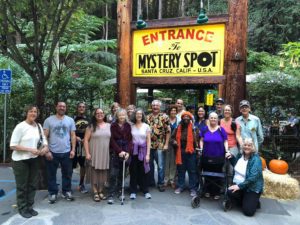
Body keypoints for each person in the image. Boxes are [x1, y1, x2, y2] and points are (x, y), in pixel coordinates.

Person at [10, 105, 48, 218]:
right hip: (20, 161)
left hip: (34, 160)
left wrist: (45, 148)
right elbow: (13, 145)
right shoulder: (20, 127)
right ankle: (22, 208)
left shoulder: (39, 126)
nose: (33, 113)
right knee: (22, 186)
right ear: (26, 113)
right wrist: (30, 149)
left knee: (32, 185)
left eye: (35, 111)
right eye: (31, 111)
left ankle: (29, 207)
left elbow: (44, 140)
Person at [43, 101, 76, 204]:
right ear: (56, 107)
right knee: (51, 174)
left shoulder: (70, 120)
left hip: (66, 151)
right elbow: (44, 136)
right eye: (60, 106)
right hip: (52, 151)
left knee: (67, 174)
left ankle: (66, 191)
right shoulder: (49, 120)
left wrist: (73, 149)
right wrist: (47, 150)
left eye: (64, 106)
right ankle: (53, 193)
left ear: (66, 108)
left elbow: (73, 136)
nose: (62, 107)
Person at [226, 138, 264, 217]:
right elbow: (237, 166)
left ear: (252, 147)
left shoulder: (256, 159)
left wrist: (239, 186)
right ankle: (246, 200)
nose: (247, 147)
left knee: (248, 212)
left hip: (251, 187)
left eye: (249, 145)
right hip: (240, 186)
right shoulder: (240, 156)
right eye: (245, 145)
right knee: (229, 191)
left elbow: (253, 177)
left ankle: (254, 201)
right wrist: (231, 157)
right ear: (242, 146)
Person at [199, 112, 228, 200]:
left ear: (217, 120)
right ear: (209, 119)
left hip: (218, 157)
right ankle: (207, 191)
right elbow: (201, 140)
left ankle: (216, 192)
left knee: (217, 174)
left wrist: (227, 151)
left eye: (215, 118)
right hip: (206, 156)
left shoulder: (221, 130)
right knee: (207, 174)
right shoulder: (204, 129)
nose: (213, 119)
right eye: (211, 118)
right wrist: (201, 148)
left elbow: (225, 141)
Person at [84, 108, 110, 202]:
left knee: (103, 171)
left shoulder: (109, 126)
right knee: (93, 171)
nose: (99, 114)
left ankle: (101, 191)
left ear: (104, 114)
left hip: (105, 152)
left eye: (101, 113)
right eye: (97, 113)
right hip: (93, 151)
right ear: (94, 115)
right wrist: (87, 153)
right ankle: (95, 192)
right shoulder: (91, 126)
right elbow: (86, 140)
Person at [108, 108, 133, 204]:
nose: (122, 116)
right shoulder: (113, 126)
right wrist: (119, 151)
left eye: (124, 115)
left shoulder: (128, 126)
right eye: (120, 115)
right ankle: (111, 194)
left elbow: (130, 140)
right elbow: (112, 140)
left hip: (126, 151)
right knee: (113, 174)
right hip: (116, 151)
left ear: (126, 116)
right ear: (117, 116)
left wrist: (127, 152)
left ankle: (120, 192)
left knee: (121, 174)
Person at [147, 100, 171, 192]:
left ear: (160, 107)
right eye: (153, 105)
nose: (155, 107)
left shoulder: (165, 117)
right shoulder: (148, 117)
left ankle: (160, 183)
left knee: (160, 166)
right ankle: (151, 181)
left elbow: (168, 131)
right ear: (151, 106)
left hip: (160, 145)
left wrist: (166, 144)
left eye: (157, 105)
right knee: (150, 165)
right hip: (149, 145)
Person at [172, 112, 198, 197]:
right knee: (181, 170)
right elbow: (172, 138)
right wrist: (174, 142)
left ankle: (192, 188)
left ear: (190, 118)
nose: (186, 118)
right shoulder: (178, 127)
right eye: (184, 117)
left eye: (188, 117)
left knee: (192, 170)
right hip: (181, 151)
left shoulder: (194, 128)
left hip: (191, 152)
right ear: (182, 118)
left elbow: (198, 139)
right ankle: (180, 186)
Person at [129, 108, 151, 199]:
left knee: (144, 171)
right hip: (133, 151)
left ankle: (145, 190)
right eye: (137, 114)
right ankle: (133, 191)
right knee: (133, 171)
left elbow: (148, 141)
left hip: (143, 150)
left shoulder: (146, 126)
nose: (139, 115)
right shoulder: (131, 126)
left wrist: (148, 154)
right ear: (135, 115)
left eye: (140, 114)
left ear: (143, 116)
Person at [73, 102, 89, 193]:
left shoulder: (88, 119)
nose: (81, 108)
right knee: (71, 165)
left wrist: (86, 139)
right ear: (77, 108)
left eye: (83, 107)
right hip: (74, 144)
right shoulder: (72, 119)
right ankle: (67, 187)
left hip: (84, 144)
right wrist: (76, 137)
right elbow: (69, 130)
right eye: (80, 107)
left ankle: (81, 184)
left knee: (83, 165)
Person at [165, 105, 178, 188]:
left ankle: (172, 179)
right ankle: (166, 179)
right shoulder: (165, 119)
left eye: (174, 110)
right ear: (169, 111)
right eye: (171, 110)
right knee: (166, 161)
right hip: (166, 142)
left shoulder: (179, 120)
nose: (173, 112)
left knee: (173, 162)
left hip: (175, 143)